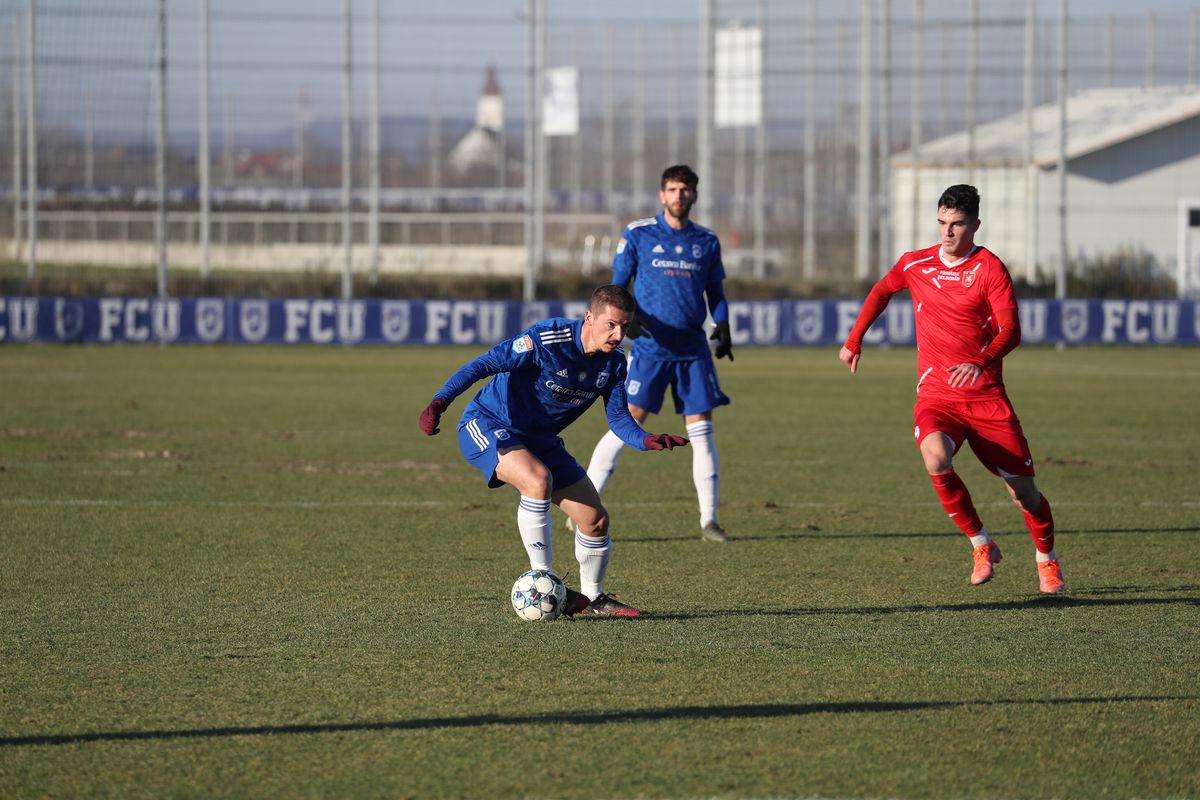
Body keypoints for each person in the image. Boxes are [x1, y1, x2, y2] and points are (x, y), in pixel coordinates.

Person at [838, 184, 1065, 594]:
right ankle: (981, 544)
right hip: (937, 396)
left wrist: (979, 361)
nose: (947, 232)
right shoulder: (915, 263)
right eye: (942, 223)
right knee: (935, 458)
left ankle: (1046, 558)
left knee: (1024, 495)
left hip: (986, 398)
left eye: (957, 224)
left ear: (975, 224)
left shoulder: (990, 269)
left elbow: (1012, 331)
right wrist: (854, 340)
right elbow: (881, 291)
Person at [418, 284, 689, 618]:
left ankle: (594, 600)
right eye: (611, 325)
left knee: (595, 520)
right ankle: (544, 579)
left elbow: (619, 418)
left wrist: (645, 440)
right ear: (590, 317)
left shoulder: (615, 365)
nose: (619, 335)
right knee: (537, 480)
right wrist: (440, 401)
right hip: (487, 423)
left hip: (540, 440)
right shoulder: (547, 339)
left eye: (625, 327)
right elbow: (484, 364)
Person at [582, 164, 735, 543]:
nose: (679, 196)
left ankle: (709, 521)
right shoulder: (639, 234)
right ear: (661, 194)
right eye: (672, 189)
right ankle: (584, 504)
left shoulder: (707, 241)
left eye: (685, 189)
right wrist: (623, 321)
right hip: (649, 349)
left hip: (692, 351)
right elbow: (616, 286)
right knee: (627, 422)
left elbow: (715, 293)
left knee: (701, 431)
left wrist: (723, 324)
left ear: (694, 195)